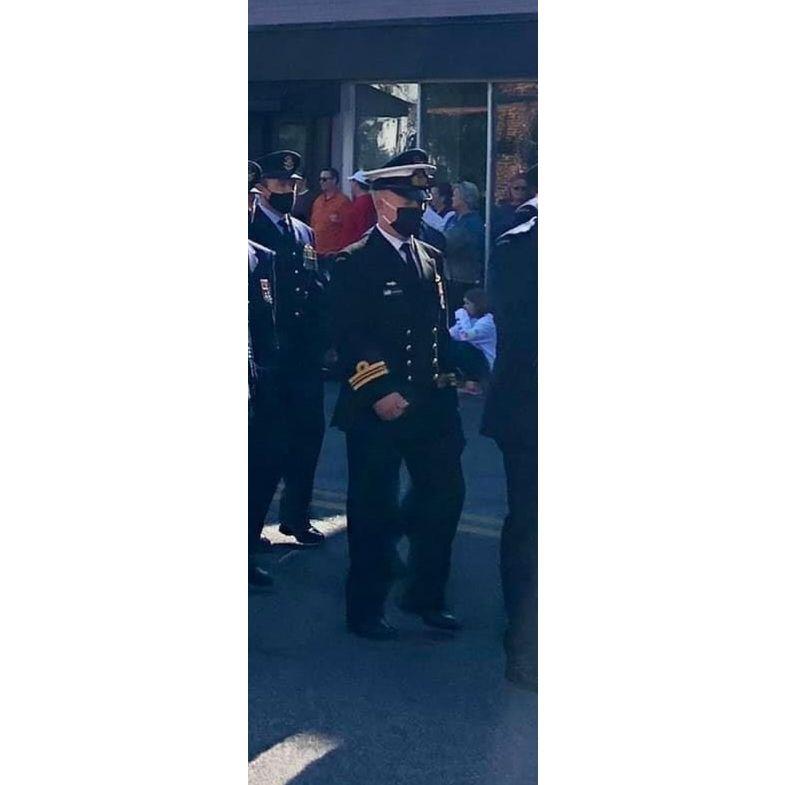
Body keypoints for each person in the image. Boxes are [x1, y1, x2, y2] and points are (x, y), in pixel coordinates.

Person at [329, 149, 482, 640]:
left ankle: (426, 594)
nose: (417, 205)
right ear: (380, 200)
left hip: (431, 403)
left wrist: (463, 366)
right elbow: (349, 335)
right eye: (406, 197)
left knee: (442, 500)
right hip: (381, 405)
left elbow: (434, 330)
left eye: (421, 196)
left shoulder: (430, 253)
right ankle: (366, 606)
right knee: (373, 508)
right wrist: (377, 389)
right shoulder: (355, 261)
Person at [248, 150, 327, 546]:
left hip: (303, 352)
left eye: (294, 186)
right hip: (269, 352)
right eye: (281, 184)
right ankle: (251, 525)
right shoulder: (252, 226)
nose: (289, 191)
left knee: (308, 436)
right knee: (267, 445)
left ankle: (297, 517)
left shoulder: (303, 231)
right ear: (261, 189)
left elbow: (313, 285)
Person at [481, 188, 538, 690]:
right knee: (533, 524)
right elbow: (523, 333)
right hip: (531, 410)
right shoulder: (522, 245)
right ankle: (525, 647)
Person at [443, 181, 485, 315]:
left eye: (455, 195)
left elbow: (448, 243)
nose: (452, 198)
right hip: (450, 278)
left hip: (465, 281)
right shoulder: (453, 219)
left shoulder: (472, 223)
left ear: (465, 198)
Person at [449, 287, 496, 378]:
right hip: (477, 360)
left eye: (467, 303)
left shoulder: (487, 322)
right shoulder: (472, 320)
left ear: (477, 305)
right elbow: (453, 334)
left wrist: (461, 316)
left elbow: (465, 336)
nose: (464, 307)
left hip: (486, 364)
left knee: (461, 347)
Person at [310, 167, 353, 257]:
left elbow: (348, 228)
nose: (321, 182)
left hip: (333, 252)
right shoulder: (318, 200)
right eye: (320, 179)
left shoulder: (343, 201)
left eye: (325, 179)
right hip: (317, 251)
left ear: (334, 180)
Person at [492, 167, 537, 239]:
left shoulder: (531, 208)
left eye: (523, 188)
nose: (520, 191)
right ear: (510, 189)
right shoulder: (501, 209)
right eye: (516, 188)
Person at [340, 170, 377, 246]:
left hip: (354, 248)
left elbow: (362, 228)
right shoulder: (371, 201)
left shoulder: (361, 204)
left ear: (356, 183)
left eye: (352, 182)